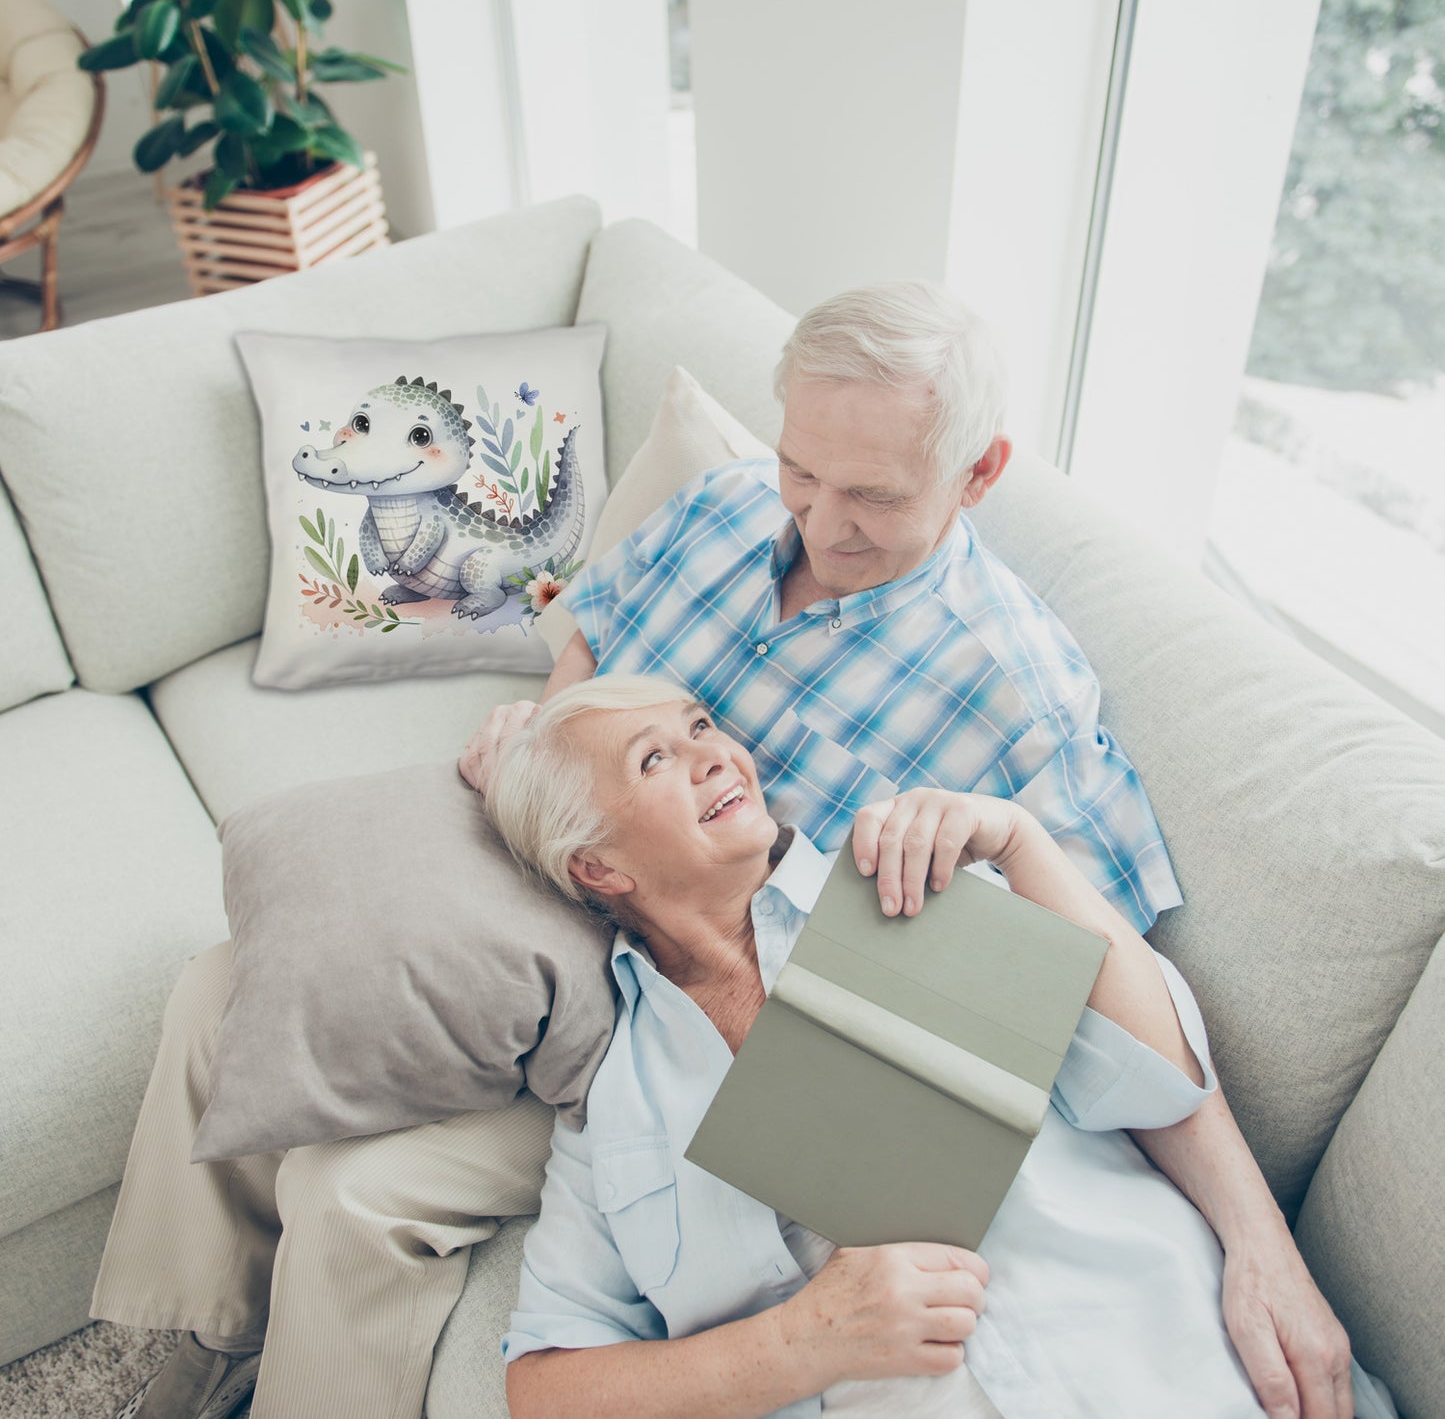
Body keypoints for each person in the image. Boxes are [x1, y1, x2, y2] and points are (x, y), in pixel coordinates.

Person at [94, 283, 1348, 1419]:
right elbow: (592, 639)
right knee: (229, 981)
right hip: (580, 861)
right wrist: (546, 739)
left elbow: (1103, 995)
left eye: (871, 494)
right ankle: (191, 1338)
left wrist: (1260, 1241)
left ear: (976, 475)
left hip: (692, 988)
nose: (819, 519)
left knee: (355, 1192)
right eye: (804, 469)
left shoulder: (1016, 698)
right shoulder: (726, 506)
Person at [486, 675, 1384, 1419]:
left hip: (1173, 1366)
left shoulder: (908, 881)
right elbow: (545, 1386)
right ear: (597, 867)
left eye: (700, 726)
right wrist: (803, 1341)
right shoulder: (615, 1105)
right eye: (655, 758)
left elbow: (1158, 1080)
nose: (715, 753)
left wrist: (1021, 843)